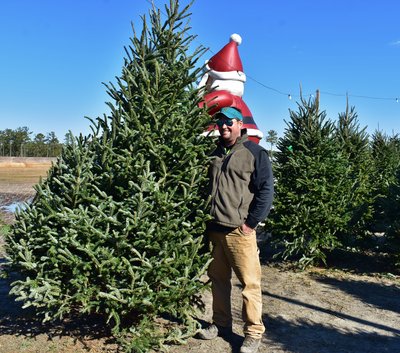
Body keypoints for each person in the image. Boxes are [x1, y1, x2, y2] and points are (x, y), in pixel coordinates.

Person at [198, 107, 274, 353]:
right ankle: (220, 324)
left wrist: (250, 223)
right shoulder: (214, 153)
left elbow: (266, 192)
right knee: (218, 280)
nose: (224, 127)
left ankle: (253, 333)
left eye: (229, 122)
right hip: (215, 230)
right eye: (220, 124)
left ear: (240, 123)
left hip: (239, 232)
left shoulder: (255, 153)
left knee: (249, 284)